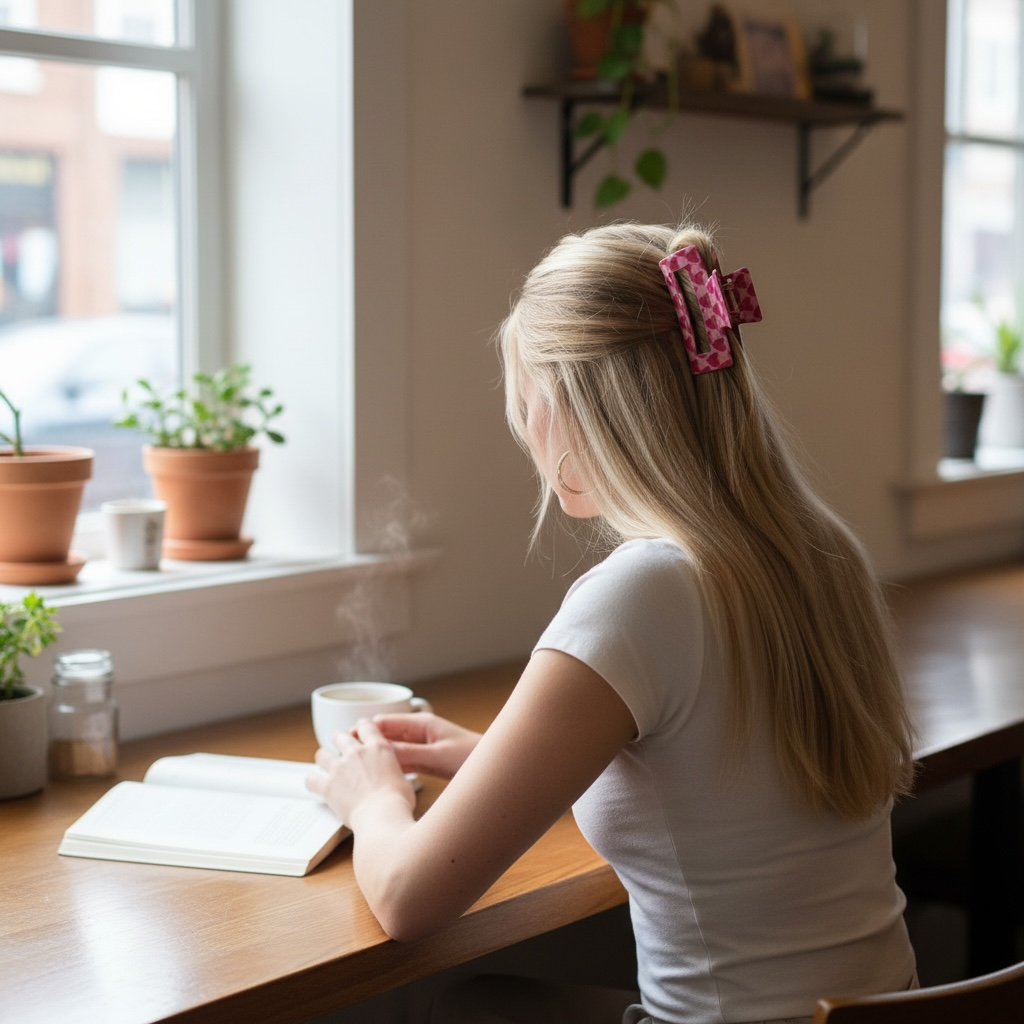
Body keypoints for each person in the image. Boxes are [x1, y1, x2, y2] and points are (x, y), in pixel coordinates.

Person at [306, 221, 918, 1024]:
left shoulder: (642, 593)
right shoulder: (819, 549)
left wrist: (372, 799)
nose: (526, 433)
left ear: (566, 407)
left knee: (464, 1006)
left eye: (526, 404)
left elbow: (409, 896)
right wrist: (498, 762)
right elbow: (723, 783)